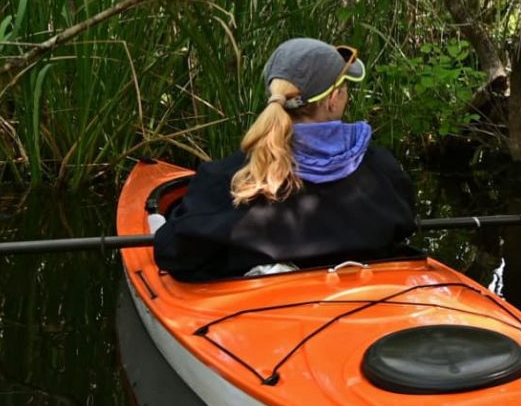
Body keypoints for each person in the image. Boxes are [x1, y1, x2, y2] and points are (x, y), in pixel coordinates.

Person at [154, 38, 419, 279]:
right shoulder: (381, 168)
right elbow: (403, 227)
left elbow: (176, 254)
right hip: (370, 301)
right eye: (345, 88)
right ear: (333, 100)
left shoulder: (232, 180)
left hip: (272, 314)